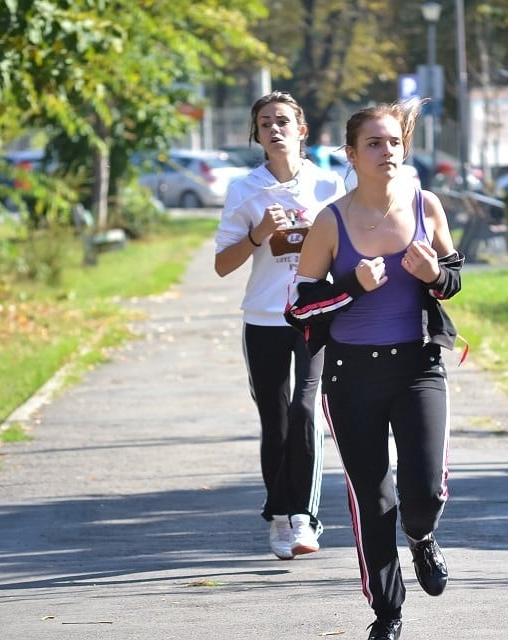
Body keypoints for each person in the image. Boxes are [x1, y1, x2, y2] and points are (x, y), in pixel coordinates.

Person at [284, 99, 464, 640]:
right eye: (374, 143)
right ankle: (387, 614)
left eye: (393, 142)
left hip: (418, 367)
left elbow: (453, 278)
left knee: (424, 489)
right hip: (352, 377)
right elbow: (299, 308)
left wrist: (435, 273)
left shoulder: (426, 205)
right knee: (373, 497)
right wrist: (349, 287)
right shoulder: (330, 221)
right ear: (351, 154)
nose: (387, 151)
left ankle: (422, 535)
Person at [214, 91, 345, 560]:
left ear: (301, 130)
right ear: (257, 135)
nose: (275, 128)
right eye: (265, 122)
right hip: (264, 318)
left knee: (305, 411)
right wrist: (258, 234)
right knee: (276, 420)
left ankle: (304, 519)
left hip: (313, 315)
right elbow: (222, 265)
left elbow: (349, 248)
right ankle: (278, 516)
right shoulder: (244, 190)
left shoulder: (330, 186)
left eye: (284, 121)